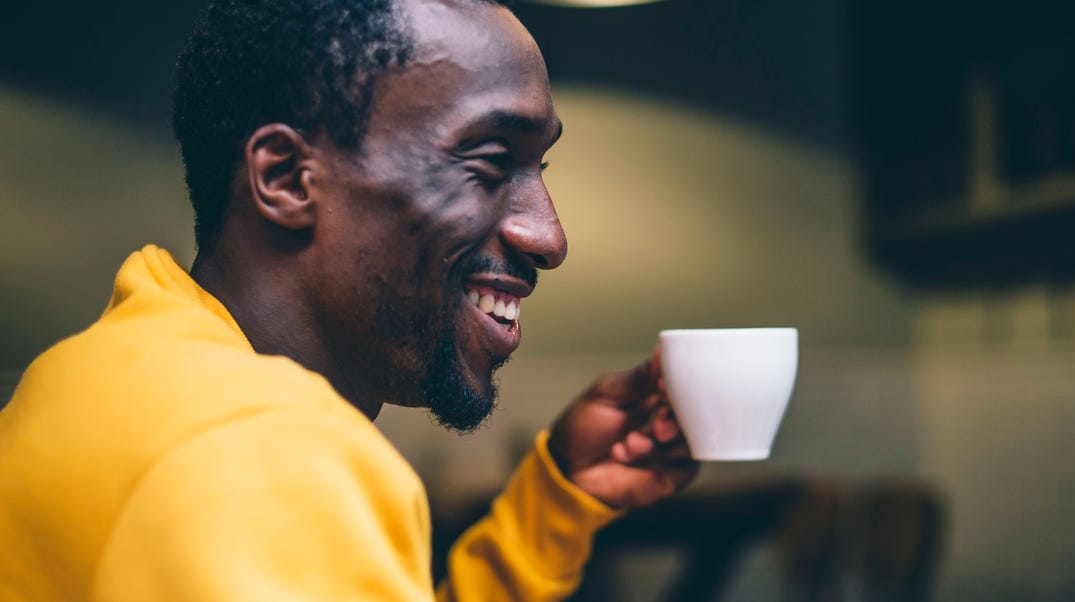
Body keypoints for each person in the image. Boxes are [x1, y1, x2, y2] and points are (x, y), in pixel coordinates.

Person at [0, 0, 699, 599]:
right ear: (286, 177)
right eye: (489, 162)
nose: (549, 235)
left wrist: (556, 507)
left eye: (537, 167)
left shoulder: (121, 376)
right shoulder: (250, 451)